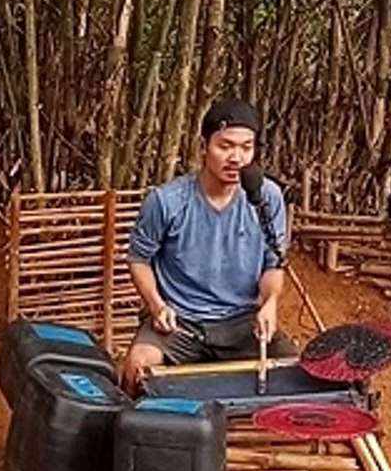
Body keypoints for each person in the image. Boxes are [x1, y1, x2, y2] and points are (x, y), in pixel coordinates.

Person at [121, 97, 298, 394]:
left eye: (246, 147)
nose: (236, 158)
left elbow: (273, 264)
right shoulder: (166, 201)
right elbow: (138, 259)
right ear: (203, 148)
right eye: (225, 146)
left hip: (243, 323)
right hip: (180, 322)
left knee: (295, 375)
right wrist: (156, 304)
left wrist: (269, 303)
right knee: (138, 366)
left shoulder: (267, 197)